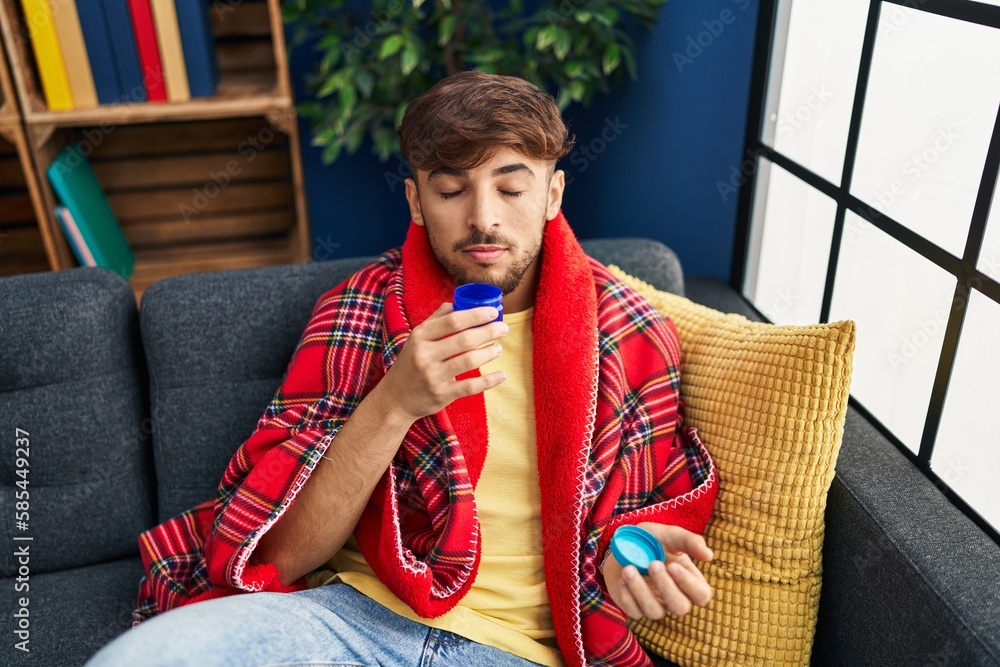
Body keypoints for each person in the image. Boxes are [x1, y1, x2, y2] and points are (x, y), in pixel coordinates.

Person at [87, 71, 718, 667]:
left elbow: (639, 516)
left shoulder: (632, 333)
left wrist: (623, 564)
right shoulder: (360, 309)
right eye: (450, 190)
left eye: (511, 186)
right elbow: (280, 555)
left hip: (515, 651)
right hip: (349, 621)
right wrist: (395, 401)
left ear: (551, 194)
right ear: (417, 201)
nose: (483, 218)